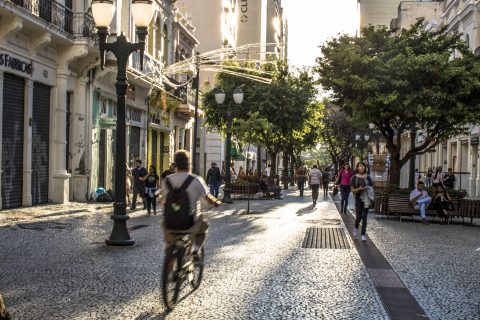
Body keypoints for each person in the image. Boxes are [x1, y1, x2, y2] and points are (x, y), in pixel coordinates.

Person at [161, 150, 222, 258]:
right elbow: (208, 198)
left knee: (169, 238)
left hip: (170, 223)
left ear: (175, 164)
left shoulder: (167, 180)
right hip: (189, 223)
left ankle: (169, 261)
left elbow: (163, 200)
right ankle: (194, 249)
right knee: (204, 225)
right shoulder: (196, 180)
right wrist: (216, 202)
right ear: (189, 163)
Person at [351, 162, 374, 241]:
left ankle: (363, 234)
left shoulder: (368, 177)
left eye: (363, 166)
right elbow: (353, 190)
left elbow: (372, 187)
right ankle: (356, 227)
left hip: (366, 198)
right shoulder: (354, 177)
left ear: (365, 167)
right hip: (358, 198)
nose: (362, 167)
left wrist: (368, 189)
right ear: (357, 168)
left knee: (364, 216)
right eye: (360, 166)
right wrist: (359, 189)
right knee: (359, 216)